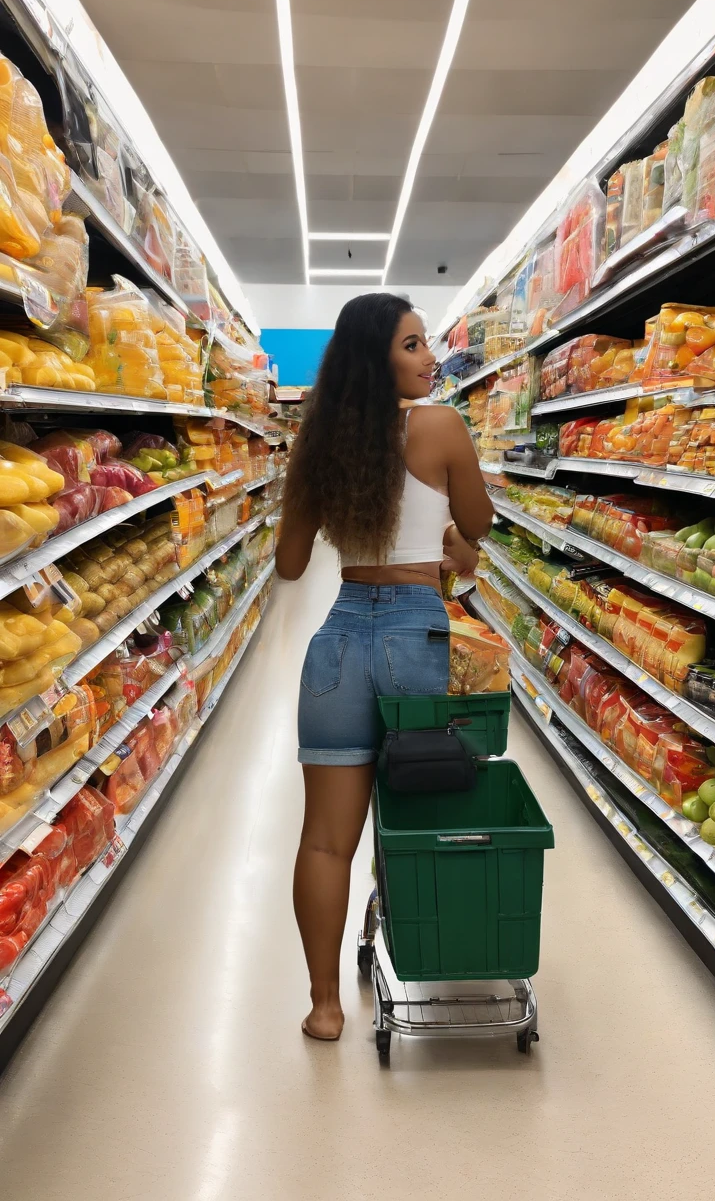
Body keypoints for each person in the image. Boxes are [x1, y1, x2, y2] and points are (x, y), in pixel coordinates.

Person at [275, 292, 493, 1040]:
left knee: (324, 840)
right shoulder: (439, 425)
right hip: (415, 639)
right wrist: (451, 549)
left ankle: (325, 1005)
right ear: (379, 360)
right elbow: (477, 525)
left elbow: (292, 564)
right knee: (413, 825)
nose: (430, 356)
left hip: (336, 644)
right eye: (412, 344)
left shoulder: (322, 442)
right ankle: (426, 956)